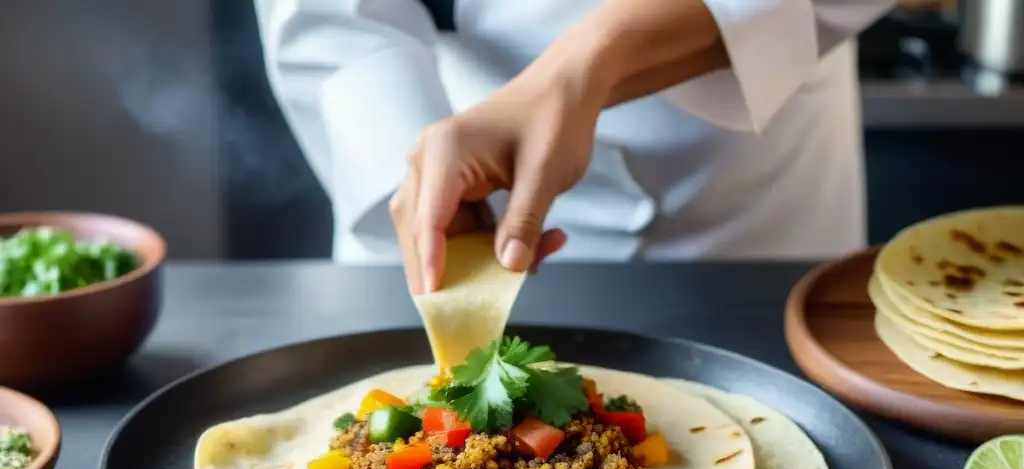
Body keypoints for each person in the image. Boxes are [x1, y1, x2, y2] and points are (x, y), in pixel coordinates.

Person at [255, 0, 893, 294]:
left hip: (751, 203)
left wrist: (593, 59)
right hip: (462, 137)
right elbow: (325, 16)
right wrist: (413, 163)